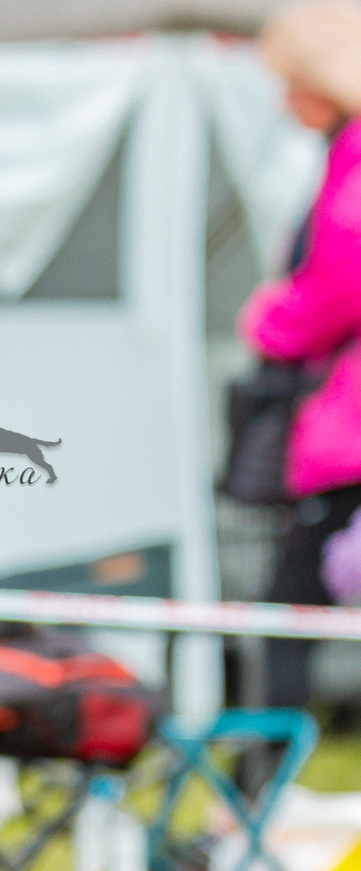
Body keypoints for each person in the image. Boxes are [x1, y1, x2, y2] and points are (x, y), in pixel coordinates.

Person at [243, 0, 361, 711]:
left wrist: (270, 321)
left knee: (287, 609)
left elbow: (341, 282)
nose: (285, 102)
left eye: (291, 83)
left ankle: (261, 786)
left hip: (347, 435)